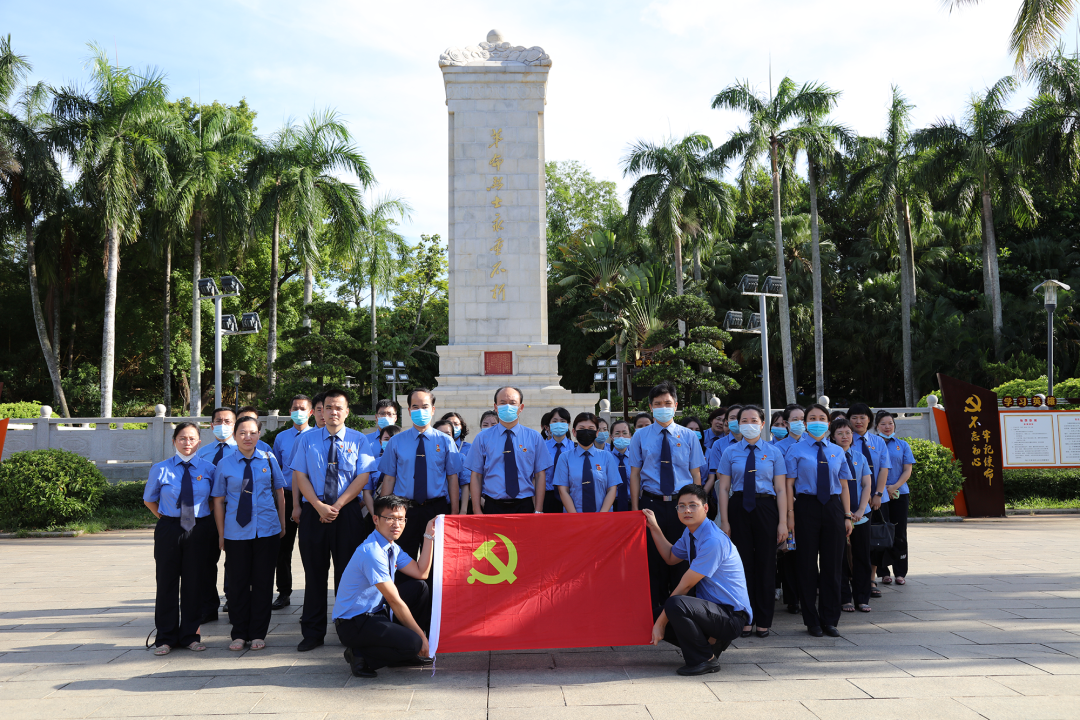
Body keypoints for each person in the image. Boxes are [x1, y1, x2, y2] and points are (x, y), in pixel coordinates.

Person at [291, 387, 377, 651]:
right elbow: (300, 475)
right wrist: (317, 506)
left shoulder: (359, 440)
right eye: (328, 407)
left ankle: (346, 629)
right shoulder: (306, 440)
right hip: (313, 513)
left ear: (347, 411)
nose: (333, 412)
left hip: (347, 512)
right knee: (314, 574)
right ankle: (313, 632)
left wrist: (337, 504)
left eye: (339, 407)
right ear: (321, 411)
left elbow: (363, 478)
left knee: (347, 575)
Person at [643, 485, 752, 676]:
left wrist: (661, 624)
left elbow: (685, 585)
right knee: (653, 615)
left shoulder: (713, 540)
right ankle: (709, 643)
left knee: (675, 604)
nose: (687, 510)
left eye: (693, 505)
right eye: (682, 506)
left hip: (731, 616)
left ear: (706, 508)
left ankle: (705, 659)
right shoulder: (691, 533)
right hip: (713, 610)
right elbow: (670, 556)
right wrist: (654, 526)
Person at [332, 495, 436, 678]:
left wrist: (429, 535)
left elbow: (422, 573)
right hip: (353, 622)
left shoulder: (391, 547)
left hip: (375, 612)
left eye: (401, 519)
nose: (396, 524)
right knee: (413, 642)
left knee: (420, 587)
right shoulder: (372, 552)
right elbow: (394, 600)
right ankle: (359, 655)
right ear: (376, 520)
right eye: (390, 518)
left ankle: (404, 654)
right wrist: (421, 637)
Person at [629, 382, 706, 614]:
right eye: (658, 404)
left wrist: (698, 507)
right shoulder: (640, 436)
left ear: (676, 406)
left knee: (683, 561)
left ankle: (683, 614)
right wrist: (636, 509)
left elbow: (696, 475)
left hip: (682, 507)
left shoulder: (689, 436)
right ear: (651, 407)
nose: (663, 407)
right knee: (654, 562)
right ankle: (656, 615)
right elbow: (634, 475)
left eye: (668, 403)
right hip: (651, 505)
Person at [211, 416, 287, 651]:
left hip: (267, 529)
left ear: (259, 435)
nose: (248, 437)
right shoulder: (225, 463)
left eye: (253, 432)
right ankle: (239, 632)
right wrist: (221, 534)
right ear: (234, 435)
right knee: (237, 583)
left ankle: (258, 633)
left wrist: (282, 524)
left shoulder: (268, 458)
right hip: (236, 532)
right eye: (242, 433)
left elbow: (280, 492)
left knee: (263, 583)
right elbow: (218, 500)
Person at [143, 422, 218, 655]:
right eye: (182, 438)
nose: (187, 443)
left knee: (194, 583)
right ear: (174, 441)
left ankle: (190, 635)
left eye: (192, 439)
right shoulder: (161, 468)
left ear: (199, 442)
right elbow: (149, 499)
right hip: (169, 529)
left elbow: (215, 501)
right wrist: (165, 518)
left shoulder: (209, 469)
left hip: (199, 529)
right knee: (166, 582)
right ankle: (165, 637)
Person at [715, 405, 788, 638]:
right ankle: (746, 618)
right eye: (743, 420)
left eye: (753, 420)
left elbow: (781, 488)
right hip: (738, 508)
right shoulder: (730, 452)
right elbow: (724, 488)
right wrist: (724, 521)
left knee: (766, 564)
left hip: (766, 507)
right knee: (741, 565)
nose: (748, 424)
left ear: (762, 424)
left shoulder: (774, 452)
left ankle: (764, 619)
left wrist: (783, 522)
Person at [785, 403, 854, 637]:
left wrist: (847, 515)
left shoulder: (837, 451)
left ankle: (830, 618)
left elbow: (844, 485)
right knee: (806, 565)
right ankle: (811, 619)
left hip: (833, 507)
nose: (817, 421)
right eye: (812, 417)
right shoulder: (795, 450)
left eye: (821, 418)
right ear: (805, 422)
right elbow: (788, 486)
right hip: (805, 507)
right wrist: (790, 516)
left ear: (828, 422)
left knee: (833, 565)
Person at [378, 388, 460, 560]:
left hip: (436, 509)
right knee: (403, 559)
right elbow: (389, 478)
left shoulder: (445, 441)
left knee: (436, 560)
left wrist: (454, 512)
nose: (420, 411)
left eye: (425, 406)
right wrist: (382, 513)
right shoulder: (396, 441)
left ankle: (430, 589)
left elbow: (452, 477)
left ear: (433, 410)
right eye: (415, 407)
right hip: (404, 509)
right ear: (408, 411)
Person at [467, 387, 552, 514]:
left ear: (521, 408)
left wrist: (538, 510)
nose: (507, 406)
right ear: (496, 407)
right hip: (493, 506)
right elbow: (476, 475)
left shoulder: (534, 437)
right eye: (502, 403)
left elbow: (540, 475)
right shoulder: (482, 438)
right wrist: (477, 509)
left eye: (512, 403)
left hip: (524, 505)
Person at [271, 395, 313, 610]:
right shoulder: (281, 438)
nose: (299, 411)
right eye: (295, 408)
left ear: (311, 412)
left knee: (310, 549)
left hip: (310, 498)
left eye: (303, 408)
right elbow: (277, 470)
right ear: (290, 411)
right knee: (283, 547)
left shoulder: (317, 436)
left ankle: (311, 595)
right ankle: (284, 592)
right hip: (286, 496)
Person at [195, 406, 237, 622]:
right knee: (206, 560)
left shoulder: (242, 449)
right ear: (211, 425)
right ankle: (208, 606)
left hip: (235, 511)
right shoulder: (202, 452)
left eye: (228, 421)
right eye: (219, 421)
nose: (223, 425)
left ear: (235, 424)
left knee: (234, 560)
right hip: (207, 513)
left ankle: (233, 600)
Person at [846, 402, 892, 595]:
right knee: (850, 543)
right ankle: (851, 578)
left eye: (862, 417)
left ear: (869, 420)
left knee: (874, 541)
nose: (858, 421)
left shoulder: (878, 441)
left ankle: (871, 580)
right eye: (854, 417)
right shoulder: (845, 439)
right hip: (853, 499)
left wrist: (878, 494)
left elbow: (883, 468)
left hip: (877, 498)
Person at [831, 417, 873, 613]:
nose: (845, 436)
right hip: (837, 515)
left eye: (848, 433)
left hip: (861, 514)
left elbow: (866, 485)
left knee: (862, 556)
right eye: (840, 433)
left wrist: (860, 510)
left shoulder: (860, 457)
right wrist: (846, 514)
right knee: (838, 558)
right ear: (832, 437)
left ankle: (862, 597)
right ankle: (844, 598)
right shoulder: (830, 456)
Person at [875, 411, 915, 586]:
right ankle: (883, 572)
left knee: (900, 533)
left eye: (890, 423)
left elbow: (907, 469)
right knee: (881, 531)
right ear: (876, 426)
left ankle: (900, 572)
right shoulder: (872, 445)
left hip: (900, 492)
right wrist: (882, 489)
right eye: (883, 423)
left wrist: (894, 486)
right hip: (878, 494)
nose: (887, 426)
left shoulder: (902, 445)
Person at [554, 413, 619, 513]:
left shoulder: (607, 457)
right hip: (574, 518)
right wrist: (575, 518)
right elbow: (563, 491)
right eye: (582, 428)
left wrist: (602, 515)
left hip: (602, 517)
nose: (586, 431)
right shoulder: (564, 458)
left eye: (591, 428)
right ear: (574, 432)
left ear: (597, 433)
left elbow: (612, 489)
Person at [544, 407, 573, 513]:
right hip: (547, 496)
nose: (558, 424)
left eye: (562, 421)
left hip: (570, 496)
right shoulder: (542, 447)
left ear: (568, 424)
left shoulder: (574, 448)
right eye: (555, 421)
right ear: (550, 425)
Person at [608, 419, 633, 512]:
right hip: (611, 505)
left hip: (632, 504)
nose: (621, 436)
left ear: (630, 435)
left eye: (625, 433)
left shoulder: (636, 459)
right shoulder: (606, 458)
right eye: (617, 433)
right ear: (611, 436)